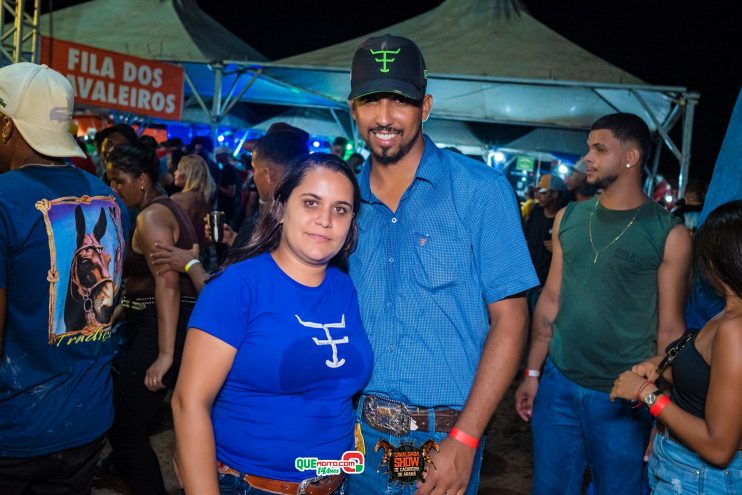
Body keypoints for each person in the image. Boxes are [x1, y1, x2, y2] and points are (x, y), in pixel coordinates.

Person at [346, 35, 538, 495]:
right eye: (371, 100)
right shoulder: (342, 202)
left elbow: (510, 321)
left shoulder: (480, 191)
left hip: (444, 440)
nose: (385, 116)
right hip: (355, 434)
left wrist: (466, 439)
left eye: (401, 101)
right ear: (353, 108)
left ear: (426, 106)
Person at [172, 153, 372, 495]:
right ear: (280, 208)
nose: (325, 220)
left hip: (336, 484)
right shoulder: (237, 287)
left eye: (340, 209)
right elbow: (188, 403)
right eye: (311, 203)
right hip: (252, 486)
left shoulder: (344, 287)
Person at [515, 112, 691, 495]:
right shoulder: (569, 217)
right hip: (559, 386)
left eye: (599, 148)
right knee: (550, 488)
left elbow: (670, 329)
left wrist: (663, 412)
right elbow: (551, 298)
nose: (587, 158)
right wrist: (532, 372)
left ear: (630, 157)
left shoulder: (668, 234)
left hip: (624, 397)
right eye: (588, 148)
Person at [0, 62, 128, 494]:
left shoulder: (4, 202)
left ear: (6, 127)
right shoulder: (110, 198)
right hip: (87, 422)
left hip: (16, 432)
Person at [611, 199, 742, 495]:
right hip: (683, 466)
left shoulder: (735, 329)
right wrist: (664, 368)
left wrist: (645, 394)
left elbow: (719, 447)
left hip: (701, 477)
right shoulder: (727, 313)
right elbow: (714, 383)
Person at [105, 140, 199, 495]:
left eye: (119, 180)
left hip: (161, 328)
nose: (114, 188)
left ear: (142, 178)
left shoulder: (152, 216)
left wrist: (164, 354)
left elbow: (169, 286)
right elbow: (147, 281)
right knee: (130, 427)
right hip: (154, 323)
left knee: (126, 431)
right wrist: (121, 311)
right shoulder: (163, 208)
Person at [523, 174, 565, 313]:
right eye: (538, 192)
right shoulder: (536, 211)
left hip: (544, 285)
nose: (539, 196)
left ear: (555, 194)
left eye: (543, 193)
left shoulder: (563, 219)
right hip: (528, 278)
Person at [171, 154, 215, 248]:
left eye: (179, 169)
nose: (175, 173)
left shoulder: (178, 199)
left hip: (183, 254)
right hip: (200, 253)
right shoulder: (204, 198)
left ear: (189, 174)